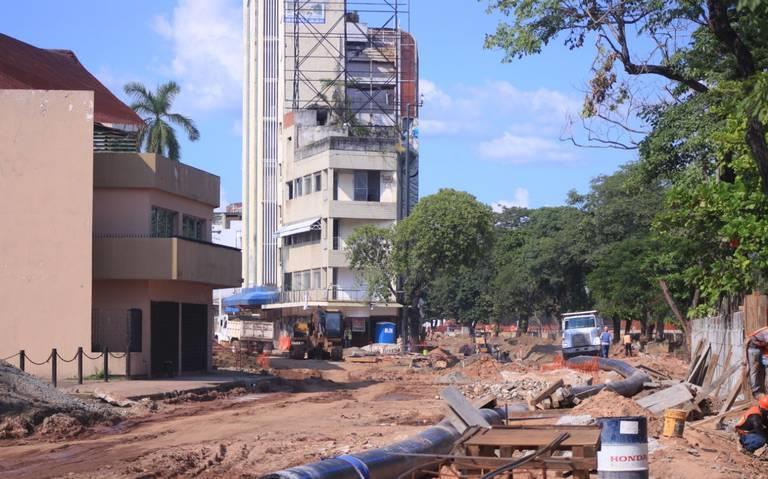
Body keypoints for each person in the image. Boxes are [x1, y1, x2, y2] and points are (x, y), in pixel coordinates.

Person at [747, 327, 768, 396]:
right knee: (754, 370)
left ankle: (761, 390)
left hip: (761, 351)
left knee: (760, 371)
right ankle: (755, 391)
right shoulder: (766, 332)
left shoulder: (764, 329)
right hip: (754, 350)